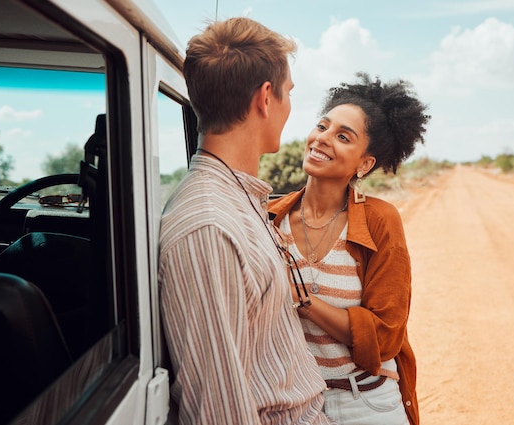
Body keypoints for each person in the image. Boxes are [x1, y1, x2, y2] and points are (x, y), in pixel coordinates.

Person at [158, 17, 332, 424]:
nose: (291, 107)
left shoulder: (238, 198)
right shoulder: (209, 227)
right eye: (288, 92)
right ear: (265, 98)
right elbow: (217, 410)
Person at [268, 73, 429, 425]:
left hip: (366, 405)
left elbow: (385, 337)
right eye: (322, 127)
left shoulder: (380, 220)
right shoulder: (268, 219)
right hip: (293, 407)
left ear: (364, 163)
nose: (322, 139)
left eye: (343, 136)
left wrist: (305, 303)